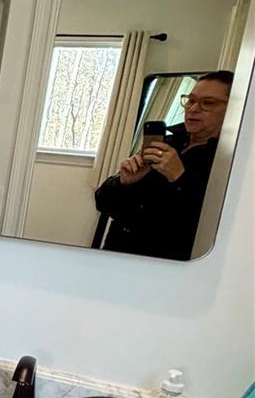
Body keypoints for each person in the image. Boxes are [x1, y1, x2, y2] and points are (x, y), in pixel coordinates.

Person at [94, 71, 233, 260]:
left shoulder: (230, 162)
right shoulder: (164, 142)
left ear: (232, 109)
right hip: (114, 256)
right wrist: (123, 182)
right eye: (190, 100)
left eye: (207, 103)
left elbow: (208, 227)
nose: (193, 109)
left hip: (166, 267)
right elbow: (102, 202)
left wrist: (179, 178)